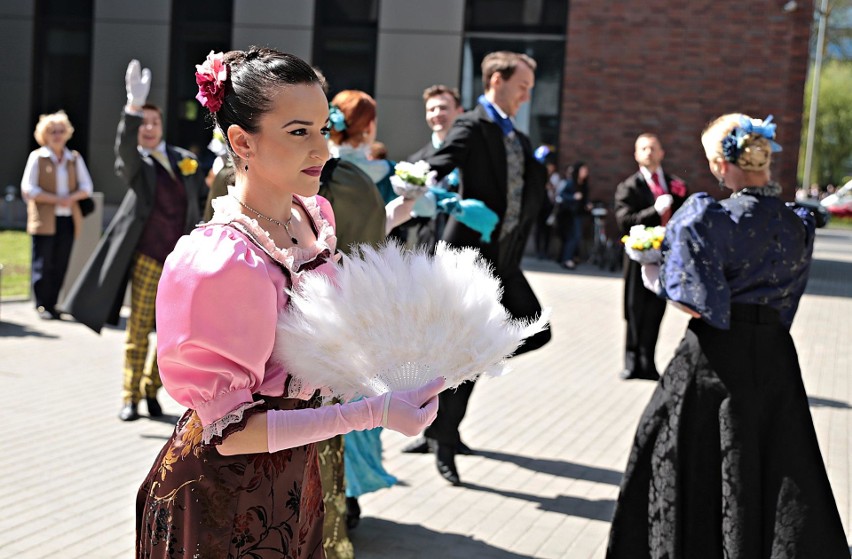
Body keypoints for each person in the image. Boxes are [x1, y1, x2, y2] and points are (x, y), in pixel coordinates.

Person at [135, 47, 443, 559]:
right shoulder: (219, 260)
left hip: (295, 480)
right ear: (241, 141)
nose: (321, 148)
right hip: (221, 497)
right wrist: (374, 412)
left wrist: (388, 382)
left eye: (324, 129)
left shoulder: (313, 217)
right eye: (299, 132)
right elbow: (232, 434)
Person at [607, 114, 849, 557]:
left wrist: (651, 269)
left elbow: (698, 302)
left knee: (688, 470)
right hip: (775, 359)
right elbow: (785, 301)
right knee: (773, 466)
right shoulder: (798, 223)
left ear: (722, 163)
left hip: (712, 363)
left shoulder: (707, 218)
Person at [419, 51, 552, 485]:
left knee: (537, 328)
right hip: (471, 260)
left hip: (506, 260)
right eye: (522, 86)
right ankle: (443, 438)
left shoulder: (520, 137)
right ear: (496, 79)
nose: (527, 95)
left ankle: (457, 388)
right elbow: (438, 167)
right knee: (467, 350)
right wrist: (432, 191)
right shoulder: (472, 124)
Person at [63, 60, 207, 421]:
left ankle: (151, 389)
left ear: (162, 127)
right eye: (142, 123)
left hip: (180, 264)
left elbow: (197, 205)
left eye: (153, 121)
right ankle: (129, 395)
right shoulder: (137, 165)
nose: (148, 127)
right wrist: (132, 107)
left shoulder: (185, 161)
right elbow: (124, 152)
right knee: (139, 330)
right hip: (146, 257)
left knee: (172, 337)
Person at [614, 133, 688, 381]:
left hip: (665, 257)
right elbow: (624, 221)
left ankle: (648, 362)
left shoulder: (673, 184)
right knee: (635, 308)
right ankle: (631, 362)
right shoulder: (629, 186)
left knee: (656, 309)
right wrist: (652, 211)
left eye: (653, 148)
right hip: (639, 258)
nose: (648, 152)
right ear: (636, 154)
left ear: (661, 153)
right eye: (643, 148)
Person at [21, 110, 93, 320]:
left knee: (60, 263)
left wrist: (70, 198)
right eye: (53, 131)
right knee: (43, 263)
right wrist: (55, 199)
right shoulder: (37, 157)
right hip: (44, 219)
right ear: (45, 134)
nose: (57, 135)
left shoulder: (74, 158)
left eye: (61, 131)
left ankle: (53, 304)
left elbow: (87, 186)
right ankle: (42, 305)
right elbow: (28, 189)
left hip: (68, 218)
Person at [398, 84, 465, 251]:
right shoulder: (416, 161)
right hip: (428, 249)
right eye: (431, 109)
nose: (436, 114)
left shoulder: (472, 155)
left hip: (466, 248)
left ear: (459, 111)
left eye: (443, 108)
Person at [554, 161, 589, 270]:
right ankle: (567, 259)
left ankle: (568, 258)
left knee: (575, 237)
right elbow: (561, 196)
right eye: (583, 170)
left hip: (577, 213)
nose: (585, 173)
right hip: (568, 215)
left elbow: (584, 199)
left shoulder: (583, 184)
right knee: (572, 237)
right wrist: (573, 197)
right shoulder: (570, 183)